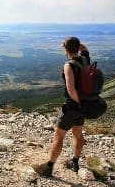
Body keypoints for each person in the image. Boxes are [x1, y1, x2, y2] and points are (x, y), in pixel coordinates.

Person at [36, 37, 90, 177]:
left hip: (71, 107)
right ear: (77, 48)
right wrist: (83, 105)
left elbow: (71, 90)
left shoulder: (68, 65)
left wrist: (78, 103)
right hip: (83, 107)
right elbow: (84, 49)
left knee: (58, 137)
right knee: (78, 134)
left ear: (66, 49)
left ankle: (49, 167)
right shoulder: (85, 59)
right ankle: (75, 162)